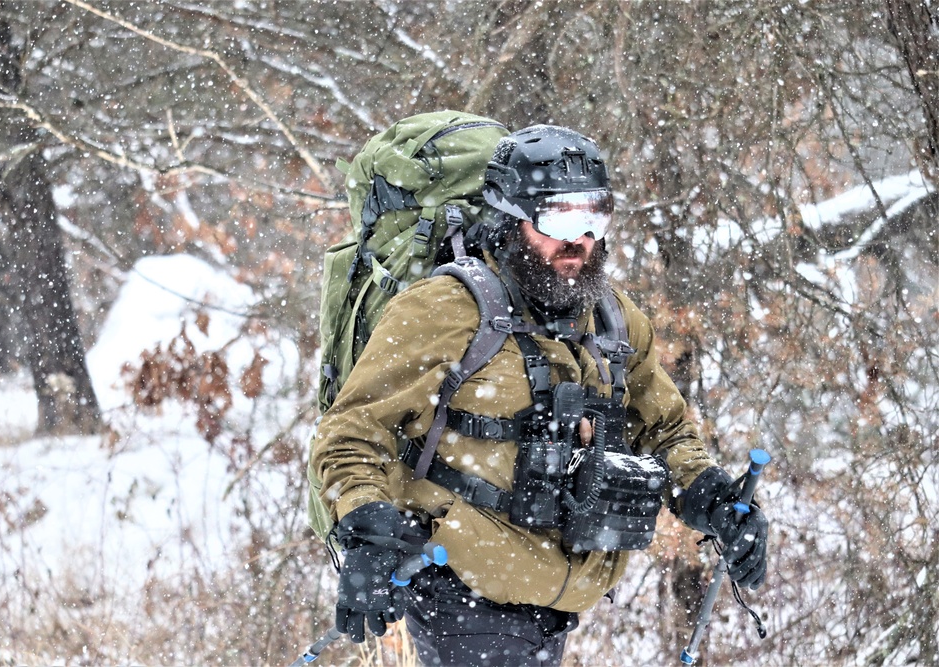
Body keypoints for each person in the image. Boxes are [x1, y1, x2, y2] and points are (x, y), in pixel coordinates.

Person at [311, 124, 769, 666]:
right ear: (511, 217)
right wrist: (367, 529)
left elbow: (663, 428)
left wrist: (713, 499)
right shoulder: (447, 309)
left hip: (553, 606)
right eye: (558, 219)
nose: (579, 240)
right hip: (459, 588)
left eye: (594, 218)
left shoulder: (613, 320)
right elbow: (350, 432)